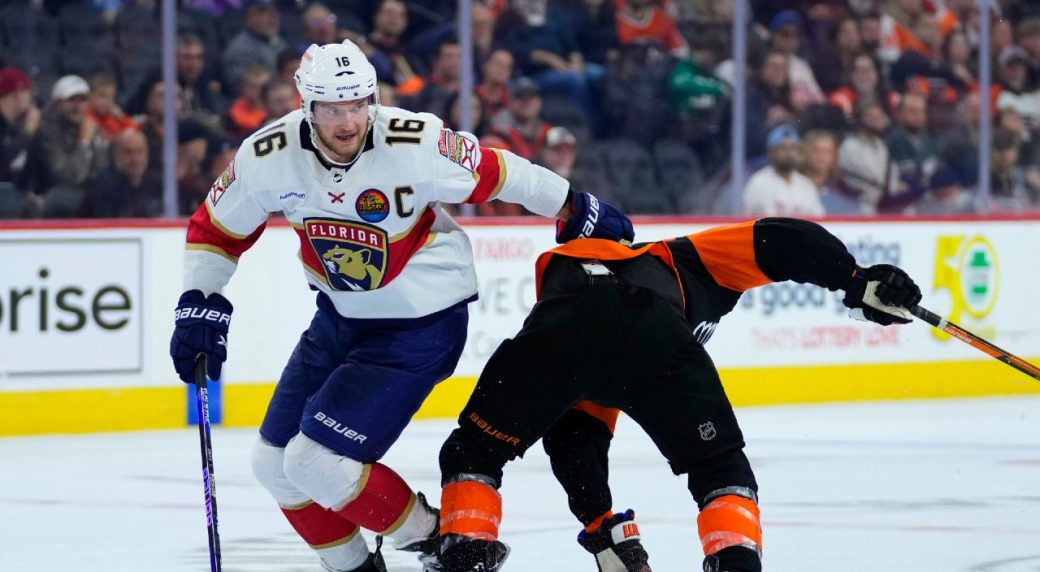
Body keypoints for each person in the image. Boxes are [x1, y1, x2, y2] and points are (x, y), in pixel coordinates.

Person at [168, 39, 633, 572]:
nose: (348, 122)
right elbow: (215, 231)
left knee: (313, 461)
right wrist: (198, 299)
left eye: (358, 105)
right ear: (306, 107)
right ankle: (355, 567)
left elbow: (498, 172)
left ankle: (444, 539)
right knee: (273, 466)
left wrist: (575, 203)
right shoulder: (266, 157)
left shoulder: (414, 141)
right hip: (340, 318)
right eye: (333, 109)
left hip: (421, 324)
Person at [433, 217, 923, 572]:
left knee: (473, 451)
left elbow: (573, 442)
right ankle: (734, 565)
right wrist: (853, 279)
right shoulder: (669, 254)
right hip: (653, 332)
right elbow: (778, 239)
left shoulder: (568, 282)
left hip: (556, 334)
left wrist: (601, 526)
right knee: (719, 470)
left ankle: (466, 556)